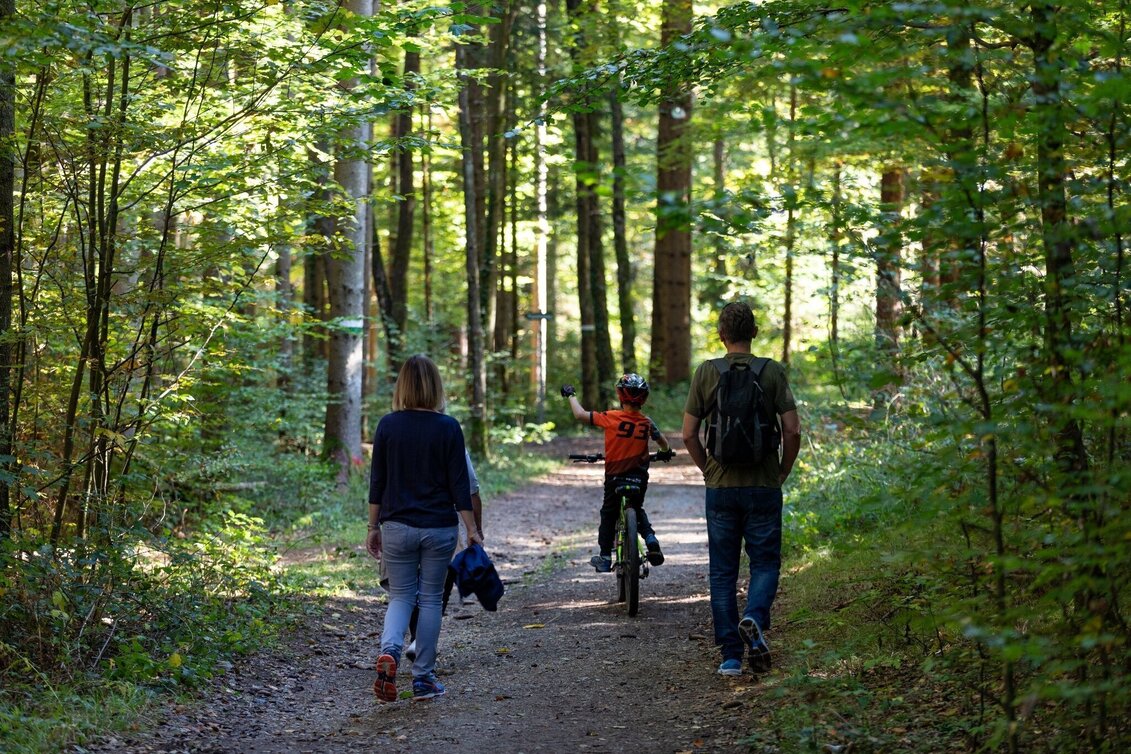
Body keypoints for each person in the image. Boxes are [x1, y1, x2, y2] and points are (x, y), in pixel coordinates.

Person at [681, 302, 801, 676]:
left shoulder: (706, 372)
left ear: (722, 334)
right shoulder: (771, 372)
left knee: (722, 572)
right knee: (765, 563)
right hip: (764, 484)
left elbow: (688, 433)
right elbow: (793, 429)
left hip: (721, 487)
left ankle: (731, 656)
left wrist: (707, 470)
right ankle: (754, 618)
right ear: (754, 333)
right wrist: (782, 470)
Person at [365, 355, 483, 702]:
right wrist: (472, 530)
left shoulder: (387, 425)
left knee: (400, 596)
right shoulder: (448, 427)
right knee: (430, 599)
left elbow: (377, 482)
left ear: (401, 385)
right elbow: (460, 485)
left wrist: (373, 527)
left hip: (397, 526)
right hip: (438, 528)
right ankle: (423, 679)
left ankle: (389, 651)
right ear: (436, 386)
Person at [560, 374, 673, 573]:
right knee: (637, 508)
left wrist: (571, 395)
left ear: (621, 396)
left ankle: (604, 555)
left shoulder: (611, 417)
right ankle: (650, 538)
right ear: (644, 398)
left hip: (615, 478)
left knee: (608, 513)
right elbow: (663, 442)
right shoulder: (647, 422)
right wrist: (665, 453)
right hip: (639, 477)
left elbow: (580, 414)